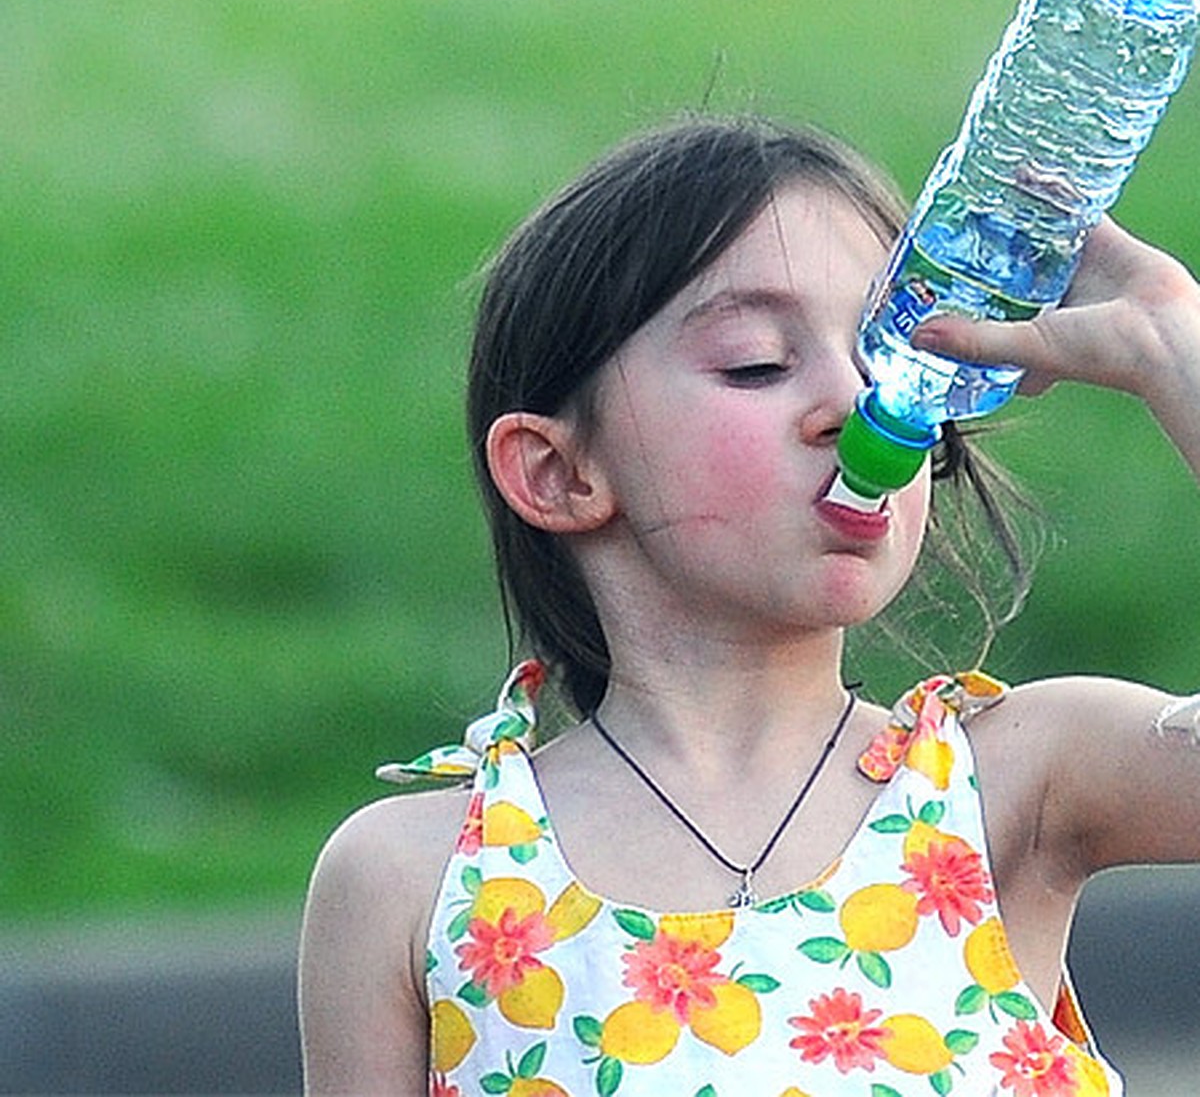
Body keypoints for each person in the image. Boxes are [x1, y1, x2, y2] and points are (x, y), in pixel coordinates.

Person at [298, 115, 1200, 1096]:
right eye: (758, 362)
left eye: (887, 350)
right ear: (558, 473)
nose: (859, 401)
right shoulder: (413, 882)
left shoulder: (1021, 781)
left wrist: (1175, 357)